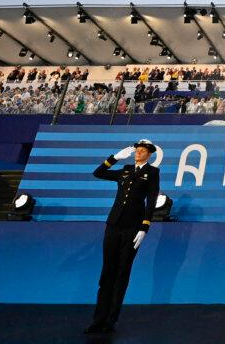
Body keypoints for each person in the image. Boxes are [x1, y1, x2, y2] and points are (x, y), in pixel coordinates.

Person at [84, 139, 160, 335]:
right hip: (113, 224)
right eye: (137, 150)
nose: (138, 153)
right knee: (107, 271)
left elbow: (151, 199)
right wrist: (114, 158)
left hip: (133, 227)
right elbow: (98, 173)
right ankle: (98, 319)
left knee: (122, 272)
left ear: (149, 154)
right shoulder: (125, 169)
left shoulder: (152, 173)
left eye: (142, 151)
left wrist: (145, 226)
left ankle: (111, 320)